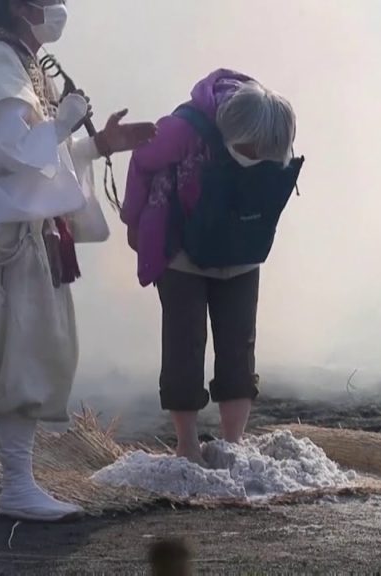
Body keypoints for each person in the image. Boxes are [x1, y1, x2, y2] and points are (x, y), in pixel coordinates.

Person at [0, 0, 156, 522]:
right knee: (26, 353)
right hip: (10, 241)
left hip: (26, 232)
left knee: (8, 348)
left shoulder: (15, 62)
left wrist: (96, 144)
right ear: (17, 7)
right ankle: (18, 486)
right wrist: (66, 123)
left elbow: (37, 160)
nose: (58, 9)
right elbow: (16, 154)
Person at [123, 69, 298, 464]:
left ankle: (232, 444)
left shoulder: (273, 129)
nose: (257, 161)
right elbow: (142, 161)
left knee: (239, 348)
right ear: (230, 133)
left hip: (241, 253)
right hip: (182, 252)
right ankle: (187, 446)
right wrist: (132, 221)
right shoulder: (184, 129)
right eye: (250, 152)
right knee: (185, 346)